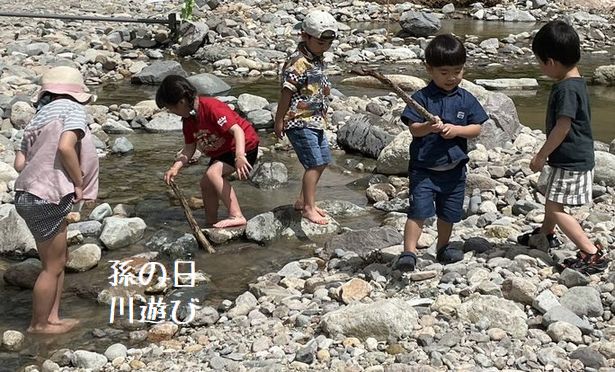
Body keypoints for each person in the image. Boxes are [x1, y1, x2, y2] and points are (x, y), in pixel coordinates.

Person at [517, 20, 607, 274]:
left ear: (551, 62)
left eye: (539, 62)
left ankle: (590, 252)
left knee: (556, 207)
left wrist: (540, 156)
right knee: (552, 200)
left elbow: (562, 127)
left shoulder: (566, 90)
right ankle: (545, 234)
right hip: (573, 157)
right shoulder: (577, 82)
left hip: (570, 160)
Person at [14, 66, 99, 333]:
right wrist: (77, 181)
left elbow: (19, 164)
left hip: (28, 194)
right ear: (76, 93)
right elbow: (65, 147)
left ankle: (53, 318)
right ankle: (39, 325)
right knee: (52, 266)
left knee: (58, 260)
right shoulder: (72, 110)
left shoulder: (37, 117)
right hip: (48, 196)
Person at [394, 34, 489, 272]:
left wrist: (456, 130)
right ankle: (409, 252)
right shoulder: (421, 98)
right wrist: (429, 127)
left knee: (449, 212)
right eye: (444, 72)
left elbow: (476, 128)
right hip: (424, 169)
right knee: (418, 211)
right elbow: (414, 130)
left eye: (457, 71)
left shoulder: (465, 98)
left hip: (454, 169)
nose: (451, 78)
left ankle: (443, 247)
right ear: (430, 69)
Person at [158, 75, 260, 228]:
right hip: (223, 151)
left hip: (243, 145)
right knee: (206, 183)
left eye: (171, 108)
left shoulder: (212, 107)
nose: (172, 112)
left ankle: (236, 215)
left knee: (212, 173)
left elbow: (237, 131)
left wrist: (239, 156)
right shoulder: (188, 120)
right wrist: (175, 167)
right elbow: (189, 149)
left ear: (182, 101)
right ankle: (211, 222)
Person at [274, 10, 338, 225]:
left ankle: (303, 201)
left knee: (323, 161)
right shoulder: (297, 62)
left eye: (328, 43)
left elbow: (320, 84)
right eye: (321, 42)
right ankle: (309, 208)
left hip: (317, 119)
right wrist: (279, 120)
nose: (325, 47)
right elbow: (286, 92)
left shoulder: (318, 59)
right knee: (314, 163)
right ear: (305, 36)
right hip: (299, 120)